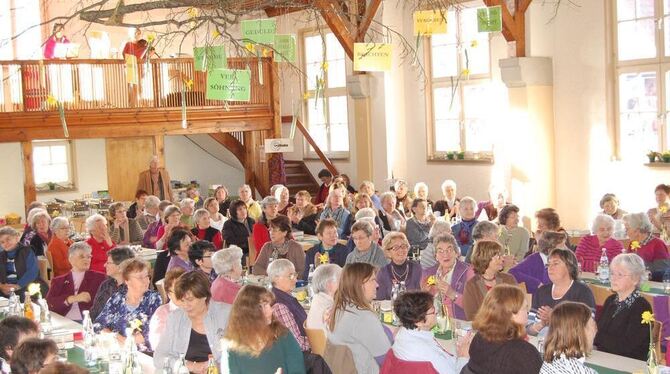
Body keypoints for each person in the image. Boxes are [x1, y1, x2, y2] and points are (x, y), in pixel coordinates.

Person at [153, 271, 231, 372]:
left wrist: (216, 366)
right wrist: (189, 366)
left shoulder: (226, 315)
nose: (185, 305)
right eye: (182, 300)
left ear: (204, 296)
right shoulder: (175, 318)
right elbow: (159, 357)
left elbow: (240, 354)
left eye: (190, 300)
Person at [222, 285, 306, 374]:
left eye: (269, 305)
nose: (270, 311)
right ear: (249, 312)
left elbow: (298, 370)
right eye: (264, 306)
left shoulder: (283, 335)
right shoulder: (232, 347)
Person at [462, 284, 542, 374]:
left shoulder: (479, 338)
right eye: (525, 308)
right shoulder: (525, 353)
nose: (527, 314)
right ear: (512, 314)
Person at [328, 262, 392, 373]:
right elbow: (387, 359)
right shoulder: (363, 317)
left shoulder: (340, 308)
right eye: (372, 280)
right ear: (359, 285)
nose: (377, 285)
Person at [94, 258, 162, 352]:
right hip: (116, 351)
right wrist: (116, 336)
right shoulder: (117, 298)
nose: (146, 281)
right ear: (127, 281)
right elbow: (98, 325)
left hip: (143, 355)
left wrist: (115, 337)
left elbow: (148, 334)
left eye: (147, 276)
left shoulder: (155, 299)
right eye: (140, 277)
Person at [391, 291, 469, 373]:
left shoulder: (401, 333)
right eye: (433, 311)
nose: (436, 313)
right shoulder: (427, 352)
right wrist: (463, 357)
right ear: (418, 321)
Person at [594, 253, 652, 360]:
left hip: (629, 363)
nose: (613, 278)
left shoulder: (641, 307)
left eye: (620, 275)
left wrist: (594, 335)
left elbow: (627, 346)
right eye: (612, 273)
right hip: (605, 357)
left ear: (635, 279)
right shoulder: (611, 300)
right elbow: (599, 331)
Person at [527, 248, 595, 336]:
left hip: (569, 346)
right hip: (541, 344)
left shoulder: (583, 292)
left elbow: (587, 327)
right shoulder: (541, 291)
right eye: (548, 265)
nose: (550, 268)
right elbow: (528, 330)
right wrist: (542, 324)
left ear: (569, 267)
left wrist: (555, 317)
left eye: (556, 263)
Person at [45, 242, 106, 321]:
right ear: (71, 259)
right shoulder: (59, 281)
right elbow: (49, 304)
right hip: (64, 321)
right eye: (81, 257)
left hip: (88, 321)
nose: (86, 260)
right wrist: (70, 299)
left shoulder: (99, 278)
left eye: (89, 257)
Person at [421, 234, 474, 319]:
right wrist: (424, 294)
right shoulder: (428, 273)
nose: (445, 254)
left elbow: (474, 305)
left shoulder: (469, 271)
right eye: (440, 251)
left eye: (449, 250)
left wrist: (452, 294)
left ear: (456, 253)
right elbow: (421, 306)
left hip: (459, 324)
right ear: (436, 256)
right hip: (434, 322)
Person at [462, 240, 517, 321]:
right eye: (498, 256)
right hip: (484, 330)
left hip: (509, 328)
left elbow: (518, 306)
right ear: (486, 259)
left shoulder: (509, 280)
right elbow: (471, 316)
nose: (502, 259)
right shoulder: (471, 285)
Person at [540, 302, 599, 374]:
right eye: (592, 325)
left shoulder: (547, 364)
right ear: (580, 333)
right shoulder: (585, 372)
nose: (595, 330)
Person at [267, 259, 310, 353]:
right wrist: (317, 341)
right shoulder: (279, 306)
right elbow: (296, 344)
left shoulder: (286, 297)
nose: (295, 279)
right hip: (301, 357)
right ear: (276, 278)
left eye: (295, 275)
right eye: (290, 276)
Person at [0, 227, 46, 299]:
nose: (6, 243)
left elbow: (32, 272)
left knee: (26, 295)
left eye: (8, 239)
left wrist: (18, 286)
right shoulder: (1, 255)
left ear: (17, 238)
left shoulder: (27, 251)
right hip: (5, 288)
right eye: (2, 242)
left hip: (25, 285)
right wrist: (2, 286)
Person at [89, 247, 135, 320]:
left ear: (120, 267)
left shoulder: (133, 288)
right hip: (97, 327)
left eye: (108, 263)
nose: (104, 265)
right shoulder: (106, 285)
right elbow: (94, 311)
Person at [376, 232, 422, 299]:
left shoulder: (417, 268)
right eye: (395, 247)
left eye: (403, 246)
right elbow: (380, 300)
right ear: (388, 252)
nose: (401, 250)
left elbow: (421, 298)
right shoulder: (382, 273)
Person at [148, 268, 185, 350]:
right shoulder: (162, 313)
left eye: (184, 289)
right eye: (177, 291)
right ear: (169, 294)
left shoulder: (197, 307)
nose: (182, 294)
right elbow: (157, 343)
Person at [306, 264, 341, 331]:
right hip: (326, 341)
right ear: (329, 284)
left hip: (318, 340)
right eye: (340, 280)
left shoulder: (318, 299)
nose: (343, 284)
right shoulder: (329, 308)